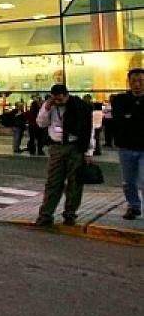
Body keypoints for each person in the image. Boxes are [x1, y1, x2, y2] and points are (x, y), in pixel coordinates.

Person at [34, 84, 95, 227]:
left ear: (67, 95)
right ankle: (46, 214)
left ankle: (70, 214)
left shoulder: (80, 107)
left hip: (75, 147)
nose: (59, 102)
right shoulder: (51, 106)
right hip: (56, 147)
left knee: (74, 183)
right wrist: (47, 107)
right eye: (56, 99)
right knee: (53, 182)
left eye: (61, 100)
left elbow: (88, 129)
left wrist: (89, 151)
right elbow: (41, 123)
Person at [111, 68, 144, 220]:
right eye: (133, 82)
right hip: (126, 147)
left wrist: (130, 117)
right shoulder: (120, 100)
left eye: (141, 81)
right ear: (129, 83)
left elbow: (127, 119)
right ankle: (134, 206)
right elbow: (118, 120)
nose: (137, 85)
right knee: (128, 181)